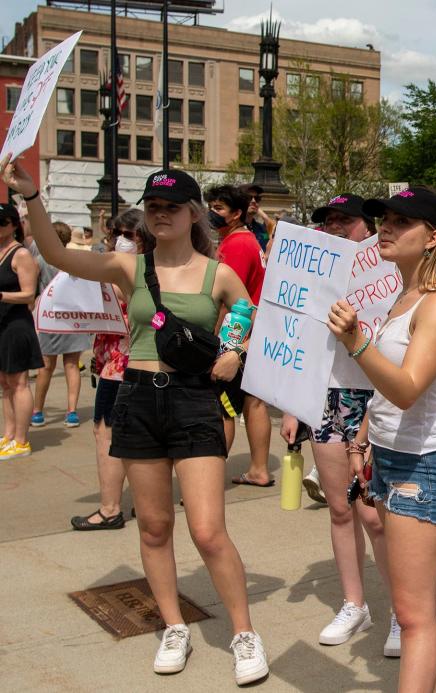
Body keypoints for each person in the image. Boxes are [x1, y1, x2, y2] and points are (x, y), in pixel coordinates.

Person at [2, 158, 269, 685]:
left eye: (172, 207)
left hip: (194, 401)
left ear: (194, 214)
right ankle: (174, 626)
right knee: (153, 527)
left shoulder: (218, 272)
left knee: (209, 531)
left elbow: (245, 307)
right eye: (153, 207)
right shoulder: (130, 268)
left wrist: (234, 350)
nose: (162, 214)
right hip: (138, 398)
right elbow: (56, 254)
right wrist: (30, 196)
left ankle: (244, 634)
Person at [328, 186, 436, 693]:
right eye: (384, 218)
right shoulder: (403, 297)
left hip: (425, 463)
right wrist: (363, 440)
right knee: (429, 600)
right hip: (394, 457)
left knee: (412, 615)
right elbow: (387, 393)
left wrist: (356, 341)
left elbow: (407, 389)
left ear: (432, 238)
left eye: (400, 221)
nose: (386, 227)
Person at [286, 193, 397, 655]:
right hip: (325, 395)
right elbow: (295, 334)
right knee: (339, 507)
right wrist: (292, 403)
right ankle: (356, 603)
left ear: (366, 227)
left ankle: (399, 610)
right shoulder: (317, 274)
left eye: (343, 220)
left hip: (375, 395)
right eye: (328, 221)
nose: (334, 227)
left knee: (374, 515)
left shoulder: (388, 272)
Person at [72, 208, 153, 530]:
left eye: (128, 234)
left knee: (107, 434)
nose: (121, 240)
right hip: (118, 360)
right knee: (135, 437)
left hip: (124, 365)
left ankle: (109, 507)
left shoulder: (133, 273)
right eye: (117, 233)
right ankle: (143, 504)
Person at [205, 184, 273, 488]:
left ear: (236, 214)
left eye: (218, 208)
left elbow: (227, 298)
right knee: (253, 402)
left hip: (235, 337)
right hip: (254, 333)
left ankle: (208, 480)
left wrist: (212, 335)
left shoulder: (235, 245)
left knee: (223, 407)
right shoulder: (246, 240)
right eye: (211, 205)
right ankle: (259, 468)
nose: (211, 212)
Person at [30, 221, 92, 428]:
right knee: (72, 365)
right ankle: (72, 411)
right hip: (74, 316)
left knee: (46, 366)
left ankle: (37, 411)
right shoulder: (75, 259)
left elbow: (32, 290)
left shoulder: (40, 260)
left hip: (51, 316)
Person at [0, 203, 42, 459]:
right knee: (5, 383)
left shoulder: (21, 254)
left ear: (14, 224)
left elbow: (29, 293)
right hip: (2, 324)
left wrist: (1, 295)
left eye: (2, 221)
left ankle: (22, 440)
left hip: (16, 324)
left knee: (18, 382)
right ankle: (8, 434)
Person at [238, 183, 274, 251]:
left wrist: (265, 216)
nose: (254, 201)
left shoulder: (261, 229)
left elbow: (273, 234)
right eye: (248, 198)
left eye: (257, 198)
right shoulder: (233, 228)